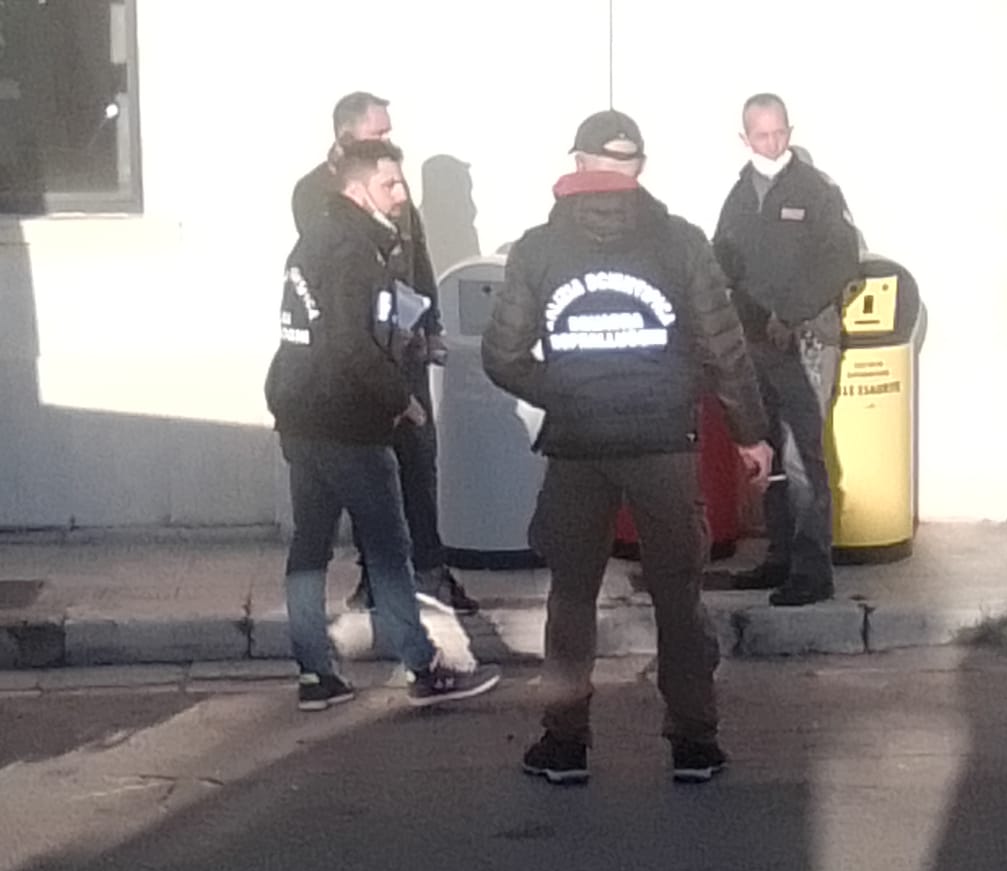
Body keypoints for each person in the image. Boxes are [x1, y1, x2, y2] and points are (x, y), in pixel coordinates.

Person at [482, 109, 772, 784]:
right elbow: (724, 347)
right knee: (678, 594)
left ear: (579, 163)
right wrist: (751, 433)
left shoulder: (536, 249)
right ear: (638, 168)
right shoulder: (681, 242)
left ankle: (565, 746)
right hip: (665, 441)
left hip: (578, 446)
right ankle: (694, 744)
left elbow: (501, 356)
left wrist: (564, 391)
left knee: (571, 597)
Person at [266, 138, 500, 711]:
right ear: (356, 187)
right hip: (347, 421)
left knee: (310, 547)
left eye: (401, 183)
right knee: (390, 548)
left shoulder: (312, 241)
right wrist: (402, 400)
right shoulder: (354, 251)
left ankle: (314, 674)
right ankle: (424, 668)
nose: (401, 196)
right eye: (389, 184)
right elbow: (351, 345)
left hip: (300, 416)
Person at [293, 91, 478, 616]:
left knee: (419, 463)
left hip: (407, 350)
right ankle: (375, 577)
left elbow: (418, 260)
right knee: (370, 470)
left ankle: (431, 570)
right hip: (363, 355)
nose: (389, 140)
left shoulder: (393, 186)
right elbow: (340, 282)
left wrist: (432, 325)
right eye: (379, 132)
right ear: (346, 136)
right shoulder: (316, 194)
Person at [713, 93, 860, 606]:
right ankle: (779, 558)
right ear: (745, 138)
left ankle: (812, 570)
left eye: (780, 133)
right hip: (755, 345)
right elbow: (722, 263)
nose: (773, 143)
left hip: (807, 341)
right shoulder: (738, 197)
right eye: (762, 135)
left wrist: (789, 314)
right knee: (770, 455)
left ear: (790, 131)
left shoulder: (817, 191)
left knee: (802, 458)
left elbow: (842, 260)